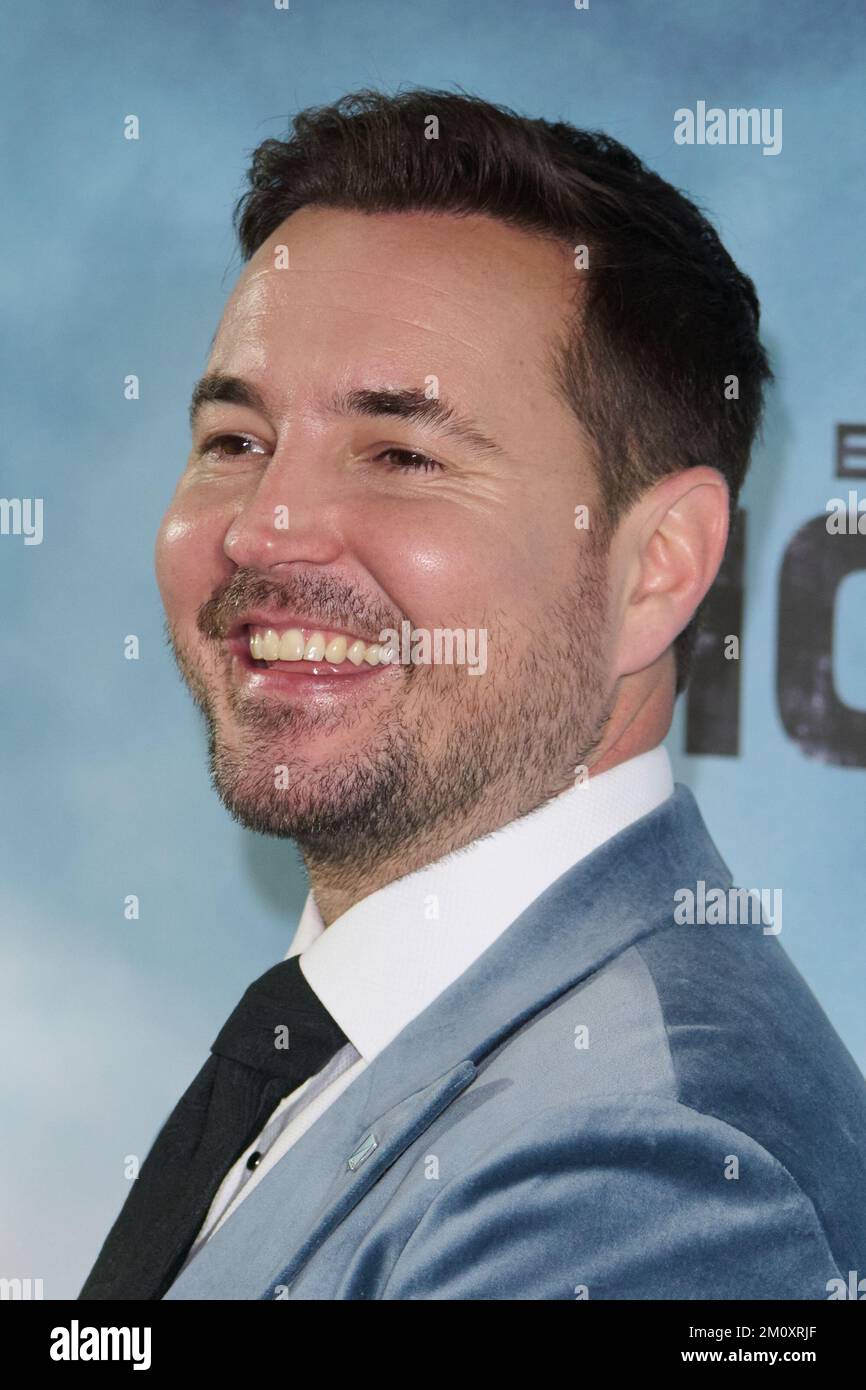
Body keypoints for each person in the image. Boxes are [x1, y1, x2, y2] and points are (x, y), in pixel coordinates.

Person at [80, 88, 866, 1301]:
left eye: (401, 455)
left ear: (653, 570)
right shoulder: (360, 1031)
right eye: (235, 441)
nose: (260, 533)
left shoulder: (653, 1178)